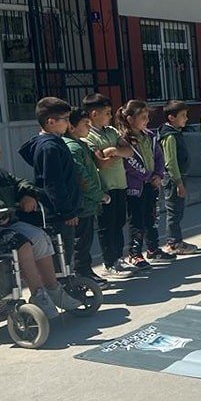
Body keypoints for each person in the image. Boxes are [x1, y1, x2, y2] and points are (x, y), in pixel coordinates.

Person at [0, 127, 80, 317]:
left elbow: (22, 183)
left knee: (41, 237)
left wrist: (28, 194)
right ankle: (38, 295)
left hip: (7, 225)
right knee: (22, 245)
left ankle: (53, 289)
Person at [17, 97, 81, 276]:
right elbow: (53, 183)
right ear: (51, 122)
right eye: (65, 119)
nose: (68, 123)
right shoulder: (48, 147)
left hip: (64, 208)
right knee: (62, 254)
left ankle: (65, 281)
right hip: (59, 212)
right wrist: (67, 211)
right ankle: (61, 286)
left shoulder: (55, 141)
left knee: (66, 251)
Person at [84, 94, 133, 280]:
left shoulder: (111, 131)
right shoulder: (88, 135)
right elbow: (101, 162)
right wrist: (114, 153)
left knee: (119, 222)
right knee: (107, 226)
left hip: (120, 184)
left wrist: (114, 151)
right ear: (94, 114)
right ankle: (109, 262)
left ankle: (118, 257)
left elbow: (128, 151)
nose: (110, 116)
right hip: (104, 187)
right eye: (106, 113)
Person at [117, 100, 172, 268]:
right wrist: (147, 175)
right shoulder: (123, 139)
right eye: (143, 117)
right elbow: (130, 163)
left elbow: (158, 157)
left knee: (152, 217)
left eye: (147, 117)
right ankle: (135, 253)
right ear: (129, 119)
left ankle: (153, 248)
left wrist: (158, 175)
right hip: (136, 187)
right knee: (137, 220)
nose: (146, 120)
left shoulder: (150, 136)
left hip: (151, 183)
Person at [64, 107, 109, 288]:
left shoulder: (81, 144)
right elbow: (82, 178)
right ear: (71, 127)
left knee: (86, 240)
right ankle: (81, 275)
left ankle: (86, 271)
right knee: (81, 242)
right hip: (82, 203)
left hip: (88, 203)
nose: (89, 128)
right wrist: (99, 195)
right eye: (85, 124)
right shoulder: (72, 148)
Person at [158, 100, 196, 256]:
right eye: (182, 116)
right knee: (174, 211)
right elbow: (171, 162)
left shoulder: (175, 133)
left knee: (178, 211)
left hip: (179, 177)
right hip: (174, 179)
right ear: (171, 118)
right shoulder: (169, 136)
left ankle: (177, 239)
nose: (186, 118)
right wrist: (178, 182)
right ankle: (173, 242)